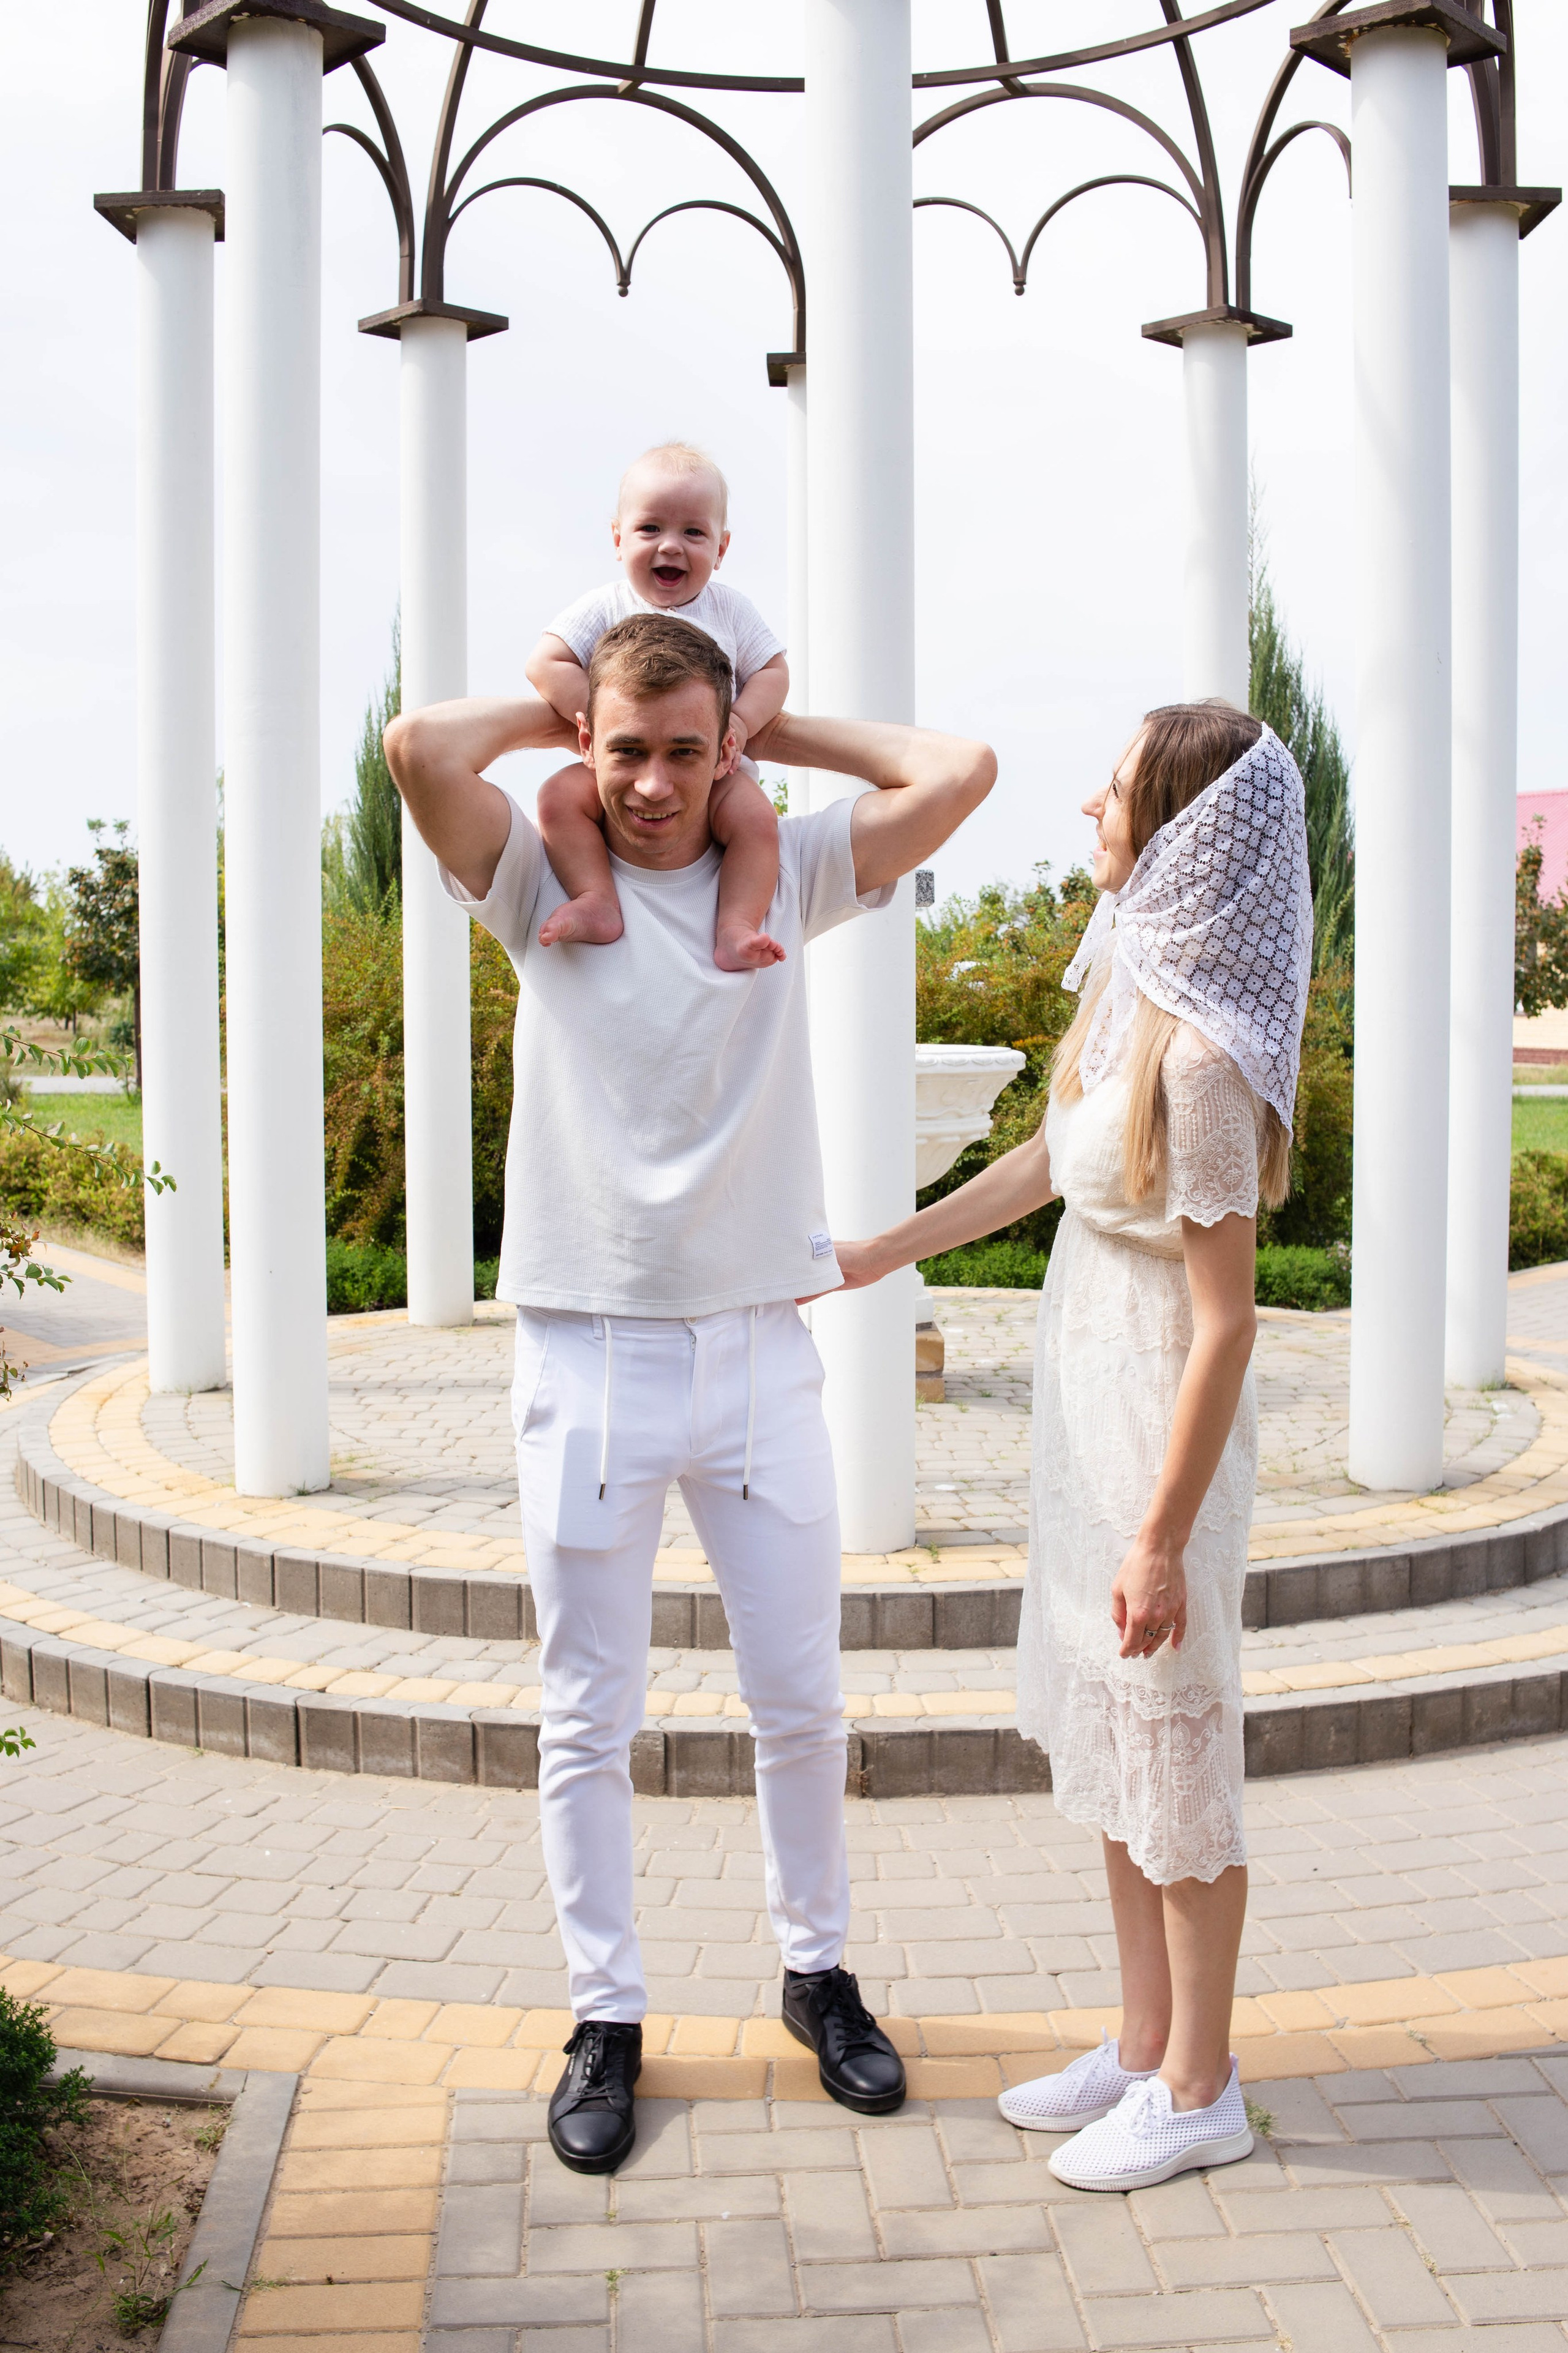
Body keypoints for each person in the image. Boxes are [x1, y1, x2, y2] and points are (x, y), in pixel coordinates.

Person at [385, 611, 995, 2175]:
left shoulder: (779, 870)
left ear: (722, 752)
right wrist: (554, 706)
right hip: (587, 1353)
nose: (652, 786)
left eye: (682, 753)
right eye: (625, 752)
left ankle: (818, 1971)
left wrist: (761, 738)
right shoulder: (534, 880)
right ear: (587, 751)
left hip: (756, 1357)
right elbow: (415, 752)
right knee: (588, 1715)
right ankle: (605, 2014)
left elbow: (958, 768)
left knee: (800, 1701)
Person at [834, 704, 1311, 2194]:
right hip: (1081, 1393)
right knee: (1113, 1734)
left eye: (1107, 795)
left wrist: (1160, 1534)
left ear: (1171, 827)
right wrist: (875, 1253)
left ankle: (1200, 2084)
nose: (1084, 815)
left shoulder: (1209, 1059)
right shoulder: (1127, 992)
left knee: (1172, 1735)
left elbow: (1226, 1323)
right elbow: (1045, 1163)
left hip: (1161, 1413)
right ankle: (1137, 2039)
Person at [525, 442, 788, 969]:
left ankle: (736, 926)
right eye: (650, 529)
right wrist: (602, 722)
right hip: (618, 774)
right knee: (557, 797)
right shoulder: (607, 606)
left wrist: (739, 720)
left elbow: (774, 673)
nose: (671, 546)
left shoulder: (730, 609)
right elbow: (545, 664)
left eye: (694, 532)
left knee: (759, 821)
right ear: (619, 540)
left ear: (722, 549)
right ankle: (597, 898)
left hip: (715, 776)